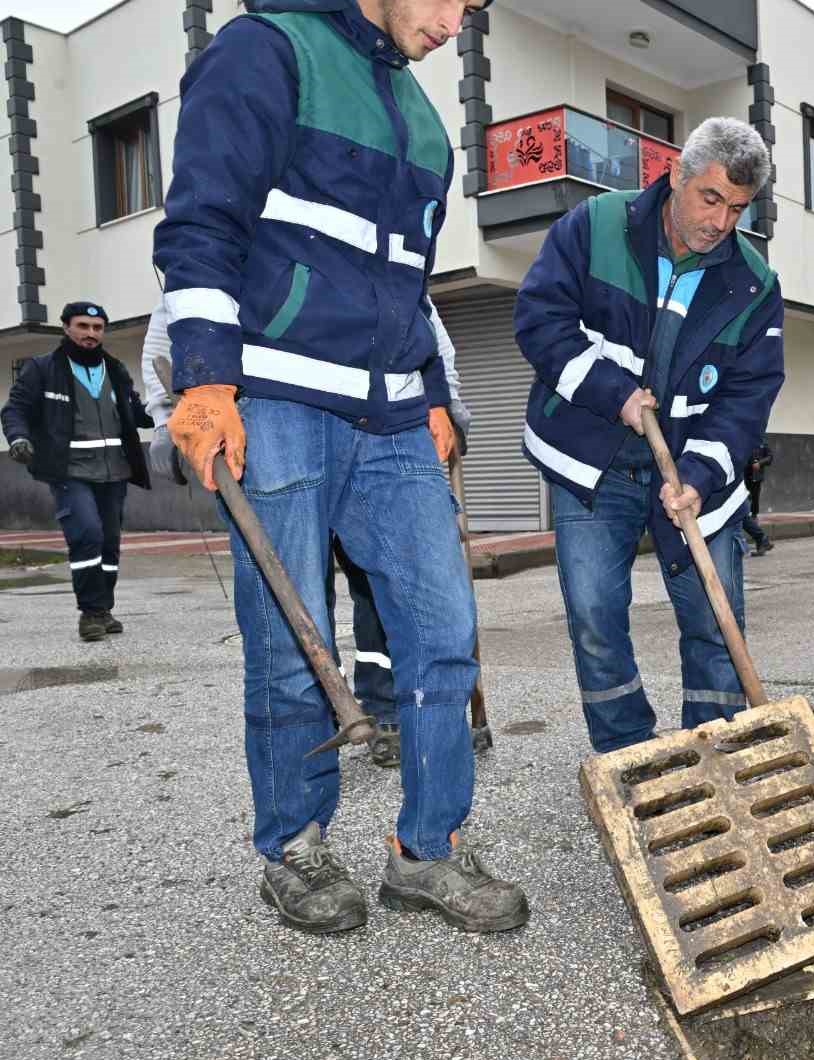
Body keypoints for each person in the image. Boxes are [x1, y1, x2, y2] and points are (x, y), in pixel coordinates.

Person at [152, 0, 526, 936]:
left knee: (443, 629)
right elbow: (201, 225)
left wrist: (436, 389)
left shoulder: (427, 121)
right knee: (291, 639)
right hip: (272, 399)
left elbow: (409, 282)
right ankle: (295, 847)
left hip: (392, 411)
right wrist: (204, 379)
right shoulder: (266, 53)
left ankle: (427, 850)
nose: (455, 23)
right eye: (449, 1)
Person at [515, 117, 783, 754]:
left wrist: (700, 475)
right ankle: (632, 759)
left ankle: (714, 760)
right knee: (595, 621)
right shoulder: (595, 227)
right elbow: (541, 319)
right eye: (710, 198)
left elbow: (748, 398)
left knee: (716, 627)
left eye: (737, 209)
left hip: (691, 476)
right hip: (594, 465)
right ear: (675, 177)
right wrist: (614, 395)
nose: (720, 222)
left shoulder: (753, 283)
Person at [141, 297, 474, 770]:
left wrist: (448, 404)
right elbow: (177, 325)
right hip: (273, 436)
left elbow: (428, 332)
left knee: (381, 589)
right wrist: (163, 419)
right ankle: (320, 719)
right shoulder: (234, 246)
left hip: (374, 435)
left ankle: (384, 710)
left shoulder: (385, 249)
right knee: (299, 597)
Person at [3, 301, 154, 643]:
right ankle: (90, 612)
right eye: (83, 326)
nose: (90, 333)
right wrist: (19, 438)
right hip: (70, 472)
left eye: (97, 328)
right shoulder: (44, 369)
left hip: (114, 472)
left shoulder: (114, 369)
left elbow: (135, 413)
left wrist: (170, 414)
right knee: (87, 534)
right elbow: (15, 410)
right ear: (66, 328)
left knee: (111, 545)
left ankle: (104, 609)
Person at [741, 437, 775, 556]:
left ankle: (760, 540)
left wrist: (759, 463)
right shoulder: (744, 439)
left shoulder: (761, 442)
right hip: (743, 479)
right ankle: (761, 540)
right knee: (742, 513)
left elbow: (770, 458)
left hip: (754, 479)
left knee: (746, 512)